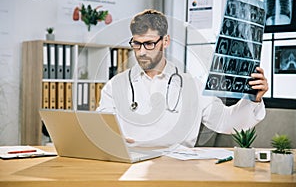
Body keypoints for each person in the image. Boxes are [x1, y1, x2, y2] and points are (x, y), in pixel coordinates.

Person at [96, 9, 268, 148]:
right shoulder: (115, 85)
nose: (141, 52)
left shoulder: (191, 85)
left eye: (149, 44)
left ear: (165, 41)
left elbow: (226, 122)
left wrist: (253, 99)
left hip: (178, 168)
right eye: (136, 44)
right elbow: (102, 129)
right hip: (132, 168)